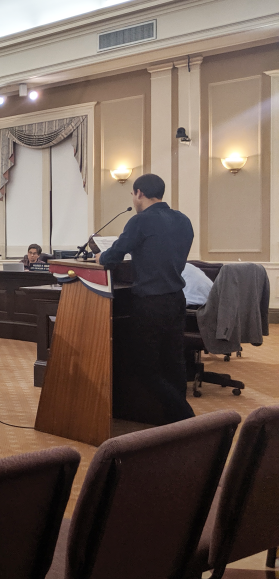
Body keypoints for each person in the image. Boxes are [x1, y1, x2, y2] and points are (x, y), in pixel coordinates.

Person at [96, 172, 195, 424]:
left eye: (133, 193)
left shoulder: (140, 221)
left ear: (139, 193)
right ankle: (177, 423)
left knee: (145, 367)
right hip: (176, 298)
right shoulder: (183, 220)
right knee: (174, 363)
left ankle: (186, 416)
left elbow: (113, 256)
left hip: (150, 303)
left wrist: (99, 258)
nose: (134, 197)